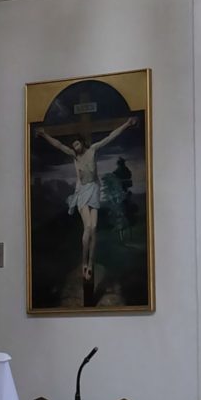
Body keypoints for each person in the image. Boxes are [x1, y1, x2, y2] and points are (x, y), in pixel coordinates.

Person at [36, 116, 137, 286]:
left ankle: (90, 263)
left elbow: (110, 137)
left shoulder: (93, 150)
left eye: (77, 144)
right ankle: (84, 262)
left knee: (94, 228)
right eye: (73, 146)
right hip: (83, 192)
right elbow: (58, 145)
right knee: (88, 227)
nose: (75, 147)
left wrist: (127, 124)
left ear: (82, 143)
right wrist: (45, 135)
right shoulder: (74, 156)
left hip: (94, 190)